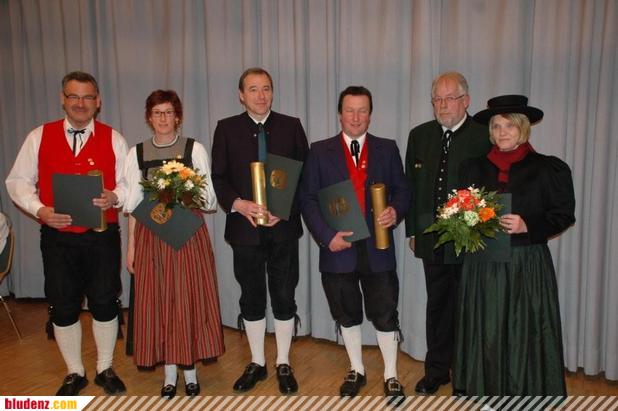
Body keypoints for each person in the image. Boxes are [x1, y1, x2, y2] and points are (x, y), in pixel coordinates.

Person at [5, 71, 127, 395]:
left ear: (98, 102)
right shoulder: (38, 137)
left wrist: (115, 196)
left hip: (102, 235)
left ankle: (104, 368)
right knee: (63, 304)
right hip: (57, 238)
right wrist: (40, 210)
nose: (80, 103)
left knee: (104, 300)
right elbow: (17, 182)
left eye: (87, 97)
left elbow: (128, 184)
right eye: (74, 96)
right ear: (63, 99)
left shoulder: (114, 138)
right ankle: (75, 371)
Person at [452, 95, 575, 396]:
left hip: (526, 263)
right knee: (488, 329)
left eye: (509, 126)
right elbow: (461, 212)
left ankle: (526, 393)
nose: (502, 132)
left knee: (525, 329)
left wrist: (528, 224)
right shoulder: (472, 168)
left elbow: (563, 214)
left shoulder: (548, 168)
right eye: (496, 126)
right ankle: (486, 392)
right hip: (484, 265)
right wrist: (465, 224)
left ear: (523, 129)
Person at [299, 86, 410, 398]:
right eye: (350, 110)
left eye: (363, 110)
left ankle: (391, 375)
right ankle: (356, 369)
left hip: (378, 247)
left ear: (370, 115)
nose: (356, 117)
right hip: (338, 248)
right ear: (340, 114)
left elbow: (403, 191)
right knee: (346, 313)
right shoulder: (319, 151)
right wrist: (326, 237)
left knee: (385, 312)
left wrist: (395, 211)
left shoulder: (387, 148)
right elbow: (307, 199)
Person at [211, 67, 308, 394]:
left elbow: (306, 175)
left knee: (284, 295)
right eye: (253, 89)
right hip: (245, 229)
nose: (261, 95)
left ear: (272, 92)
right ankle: (256, 361)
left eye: (266, 88)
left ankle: (283, 361)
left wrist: (286, 209)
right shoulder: (226, 129)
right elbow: (218, 178)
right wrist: (238, 204)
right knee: (251, 297)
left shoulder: (291, 126)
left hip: (283, 229)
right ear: (241, 95)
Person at [123, 90, 224, 398]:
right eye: (157, 113)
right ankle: (169, 374)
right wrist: (131, 247)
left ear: (177, 117)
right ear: (149, 117)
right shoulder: (136, 153)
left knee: (187, 301)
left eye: (168, 112)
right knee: (159, 304)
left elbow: (210, 201)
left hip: (187, 236)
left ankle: (190, 371)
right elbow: (133, 204)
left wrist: (186, 192)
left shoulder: (194, 149)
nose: (163, 118)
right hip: (151, 238)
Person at [404, 71, 491, 394]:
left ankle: (466, 375)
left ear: (466, 101)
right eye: (437, 99)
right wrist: (413, 231)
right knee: (437, 306)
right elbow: (411, 187)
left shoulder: (483, 136)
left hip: (471, 240)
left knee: (468, 309)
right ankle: (437, 370)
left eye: (449, 98)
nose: (442, 105)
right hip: (431, 239)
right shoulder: (420, 135)